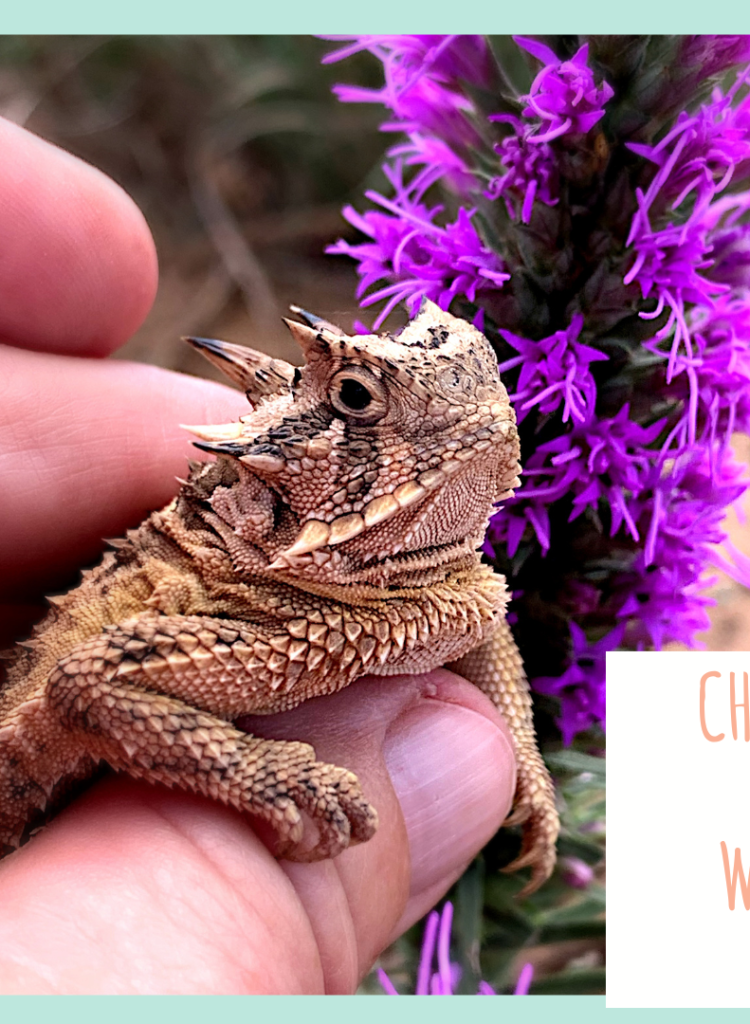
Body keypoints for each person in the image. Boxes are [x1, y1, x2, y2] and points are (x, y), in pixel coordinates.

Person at [0, 115, 517, 994]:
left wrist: (526, 768)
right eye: (357, 398)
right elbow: (92, 685)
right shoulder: (262, 600)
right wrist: (254, 769)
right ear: (289, 476)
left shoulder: (434, 579)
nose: (481, 417)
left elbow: (477, 623)